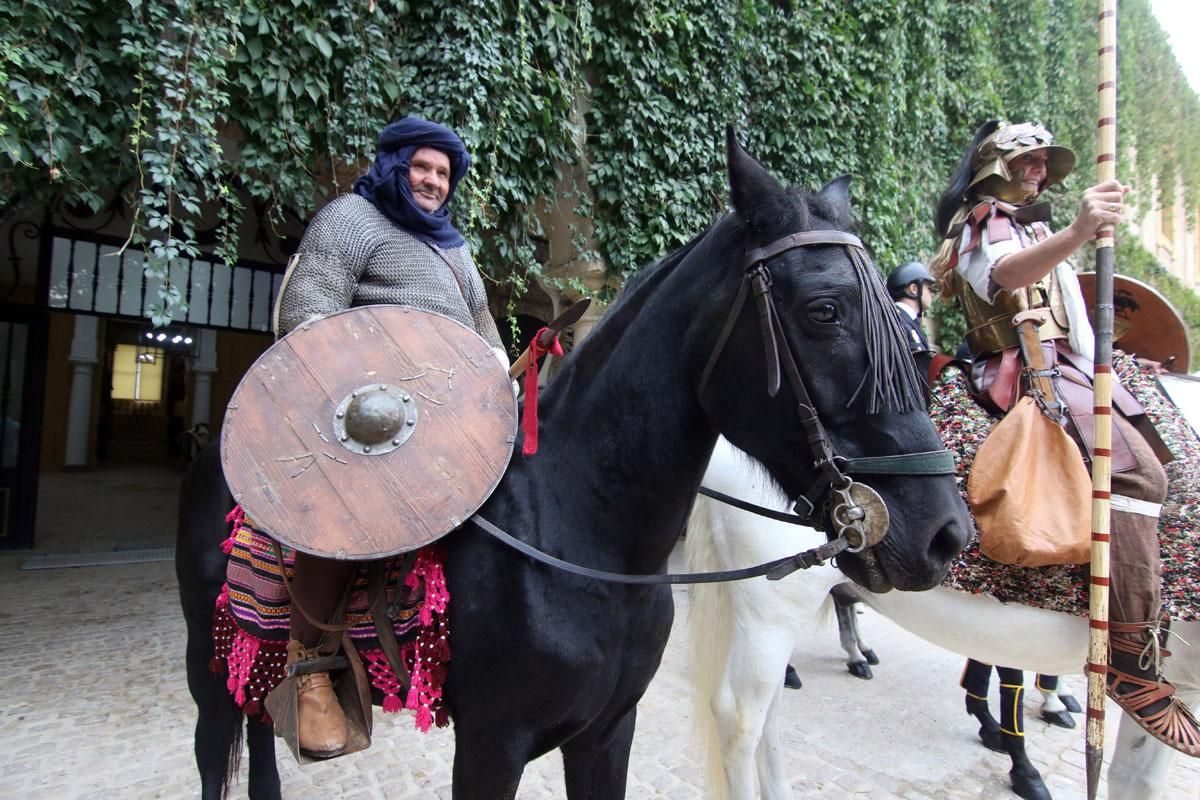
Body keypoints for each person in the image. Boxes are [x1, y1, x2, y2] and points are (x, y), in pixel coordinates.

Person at [929, 119, 1199, 757]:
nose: (1039, 170)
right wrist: (1081, 231)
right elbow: (1003, 276)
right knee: (1136, 474)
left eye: (1044, 162)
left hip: (1071, 361)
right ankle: (1132, 659)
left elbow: (1073, 310)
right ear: (996, 164)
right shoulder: (984, 218)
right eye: (1027, 160)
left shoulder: (1031, 222)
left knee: (1167, 456)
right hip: (1027, 367)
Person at [272, 116, 505, 758]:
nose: (432, 181)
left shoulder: (453, 247)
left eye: (443, 173)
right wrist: (372, 380)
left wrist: (501, 381)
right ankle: (311, 668)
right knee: (348, 513)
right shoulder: (351, 219)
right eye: (422, 168)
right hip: (366, 413)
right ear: (395, 165)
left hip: (452, 414)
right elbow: (308, 313)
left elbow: (482, 323)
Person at [886, 260, 937, 355]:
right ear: (913, 289)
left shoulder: (905, 320)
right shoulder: (900, 322)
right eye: (930, 288)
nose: (932, 294)